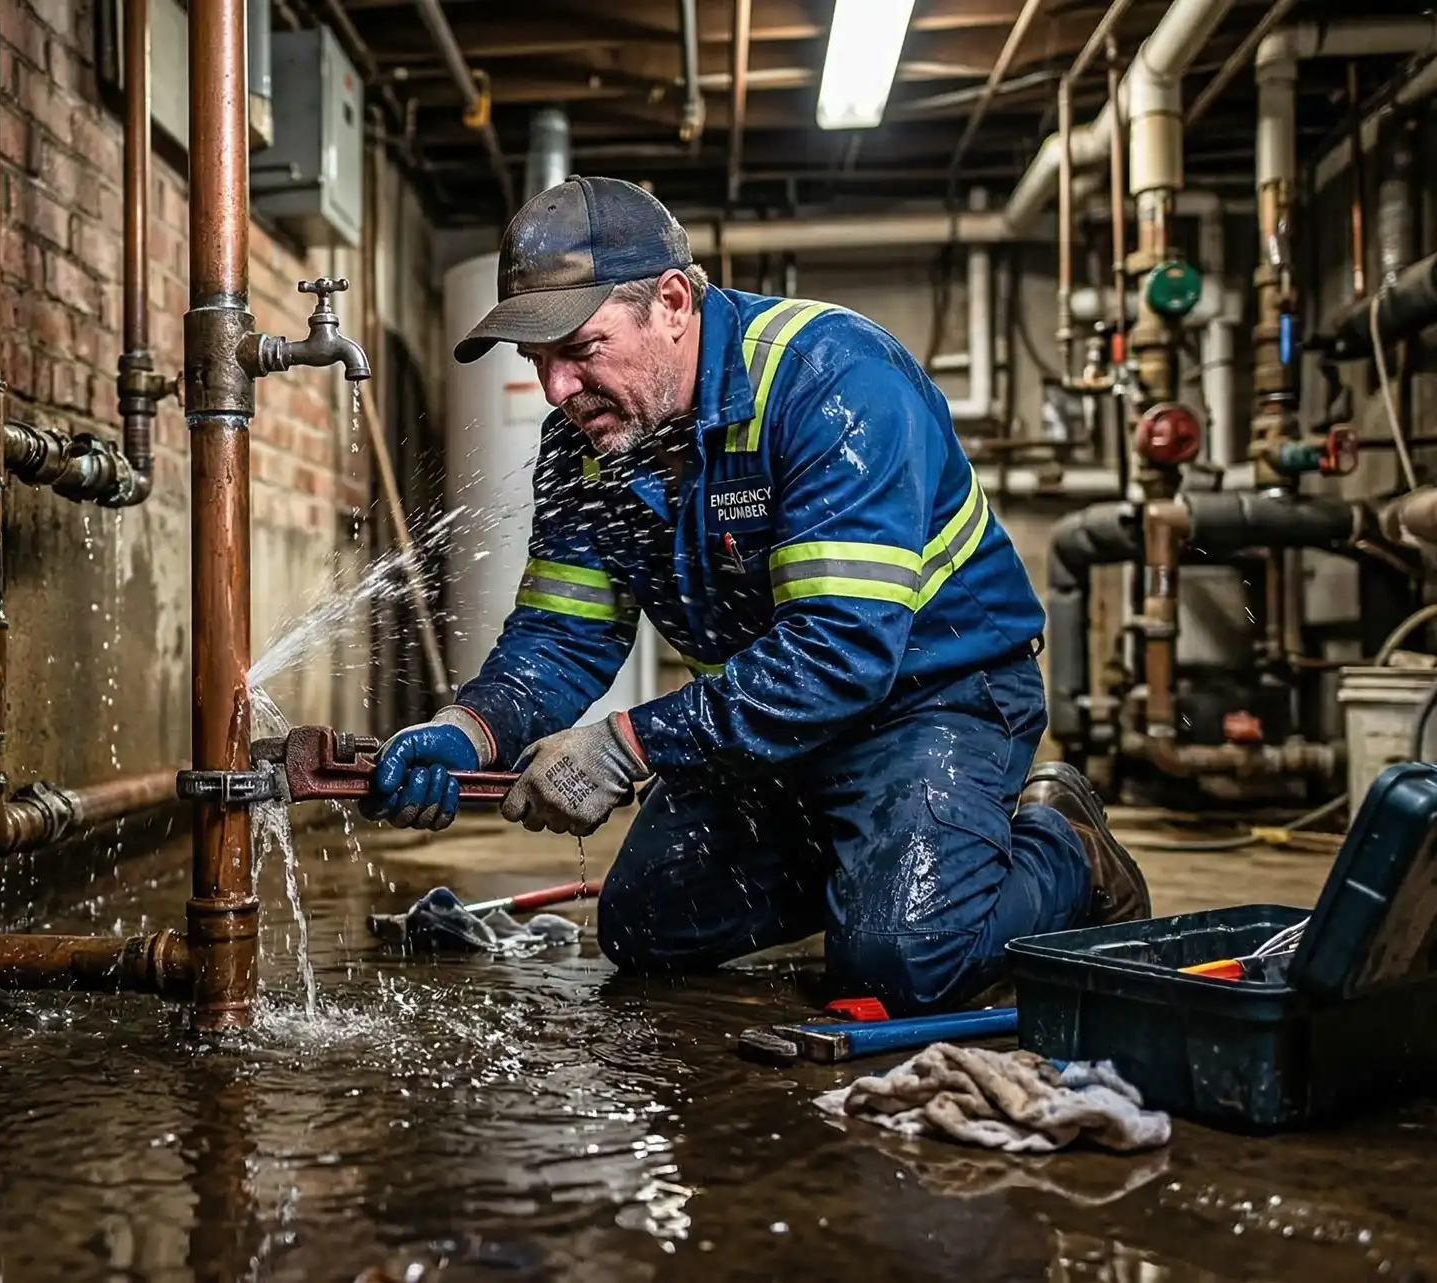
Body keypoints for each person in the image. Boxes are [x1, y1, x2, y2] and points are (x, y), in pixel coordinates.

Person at [361, 177, 1149, 1013]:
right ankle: (876, 865)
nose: (556, 389)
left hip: (933, 702)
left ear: (671, 302)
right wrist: (467, 730)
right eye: (537, 361)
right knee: (644, 929)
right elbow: (563, 636)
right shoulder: (588, 445)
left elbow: (840, 653)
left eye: (580, 348)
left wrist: (627, 744)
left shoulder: (831, 381)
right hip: (775, 726)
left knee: (898, 969)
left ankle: (1064, 846)